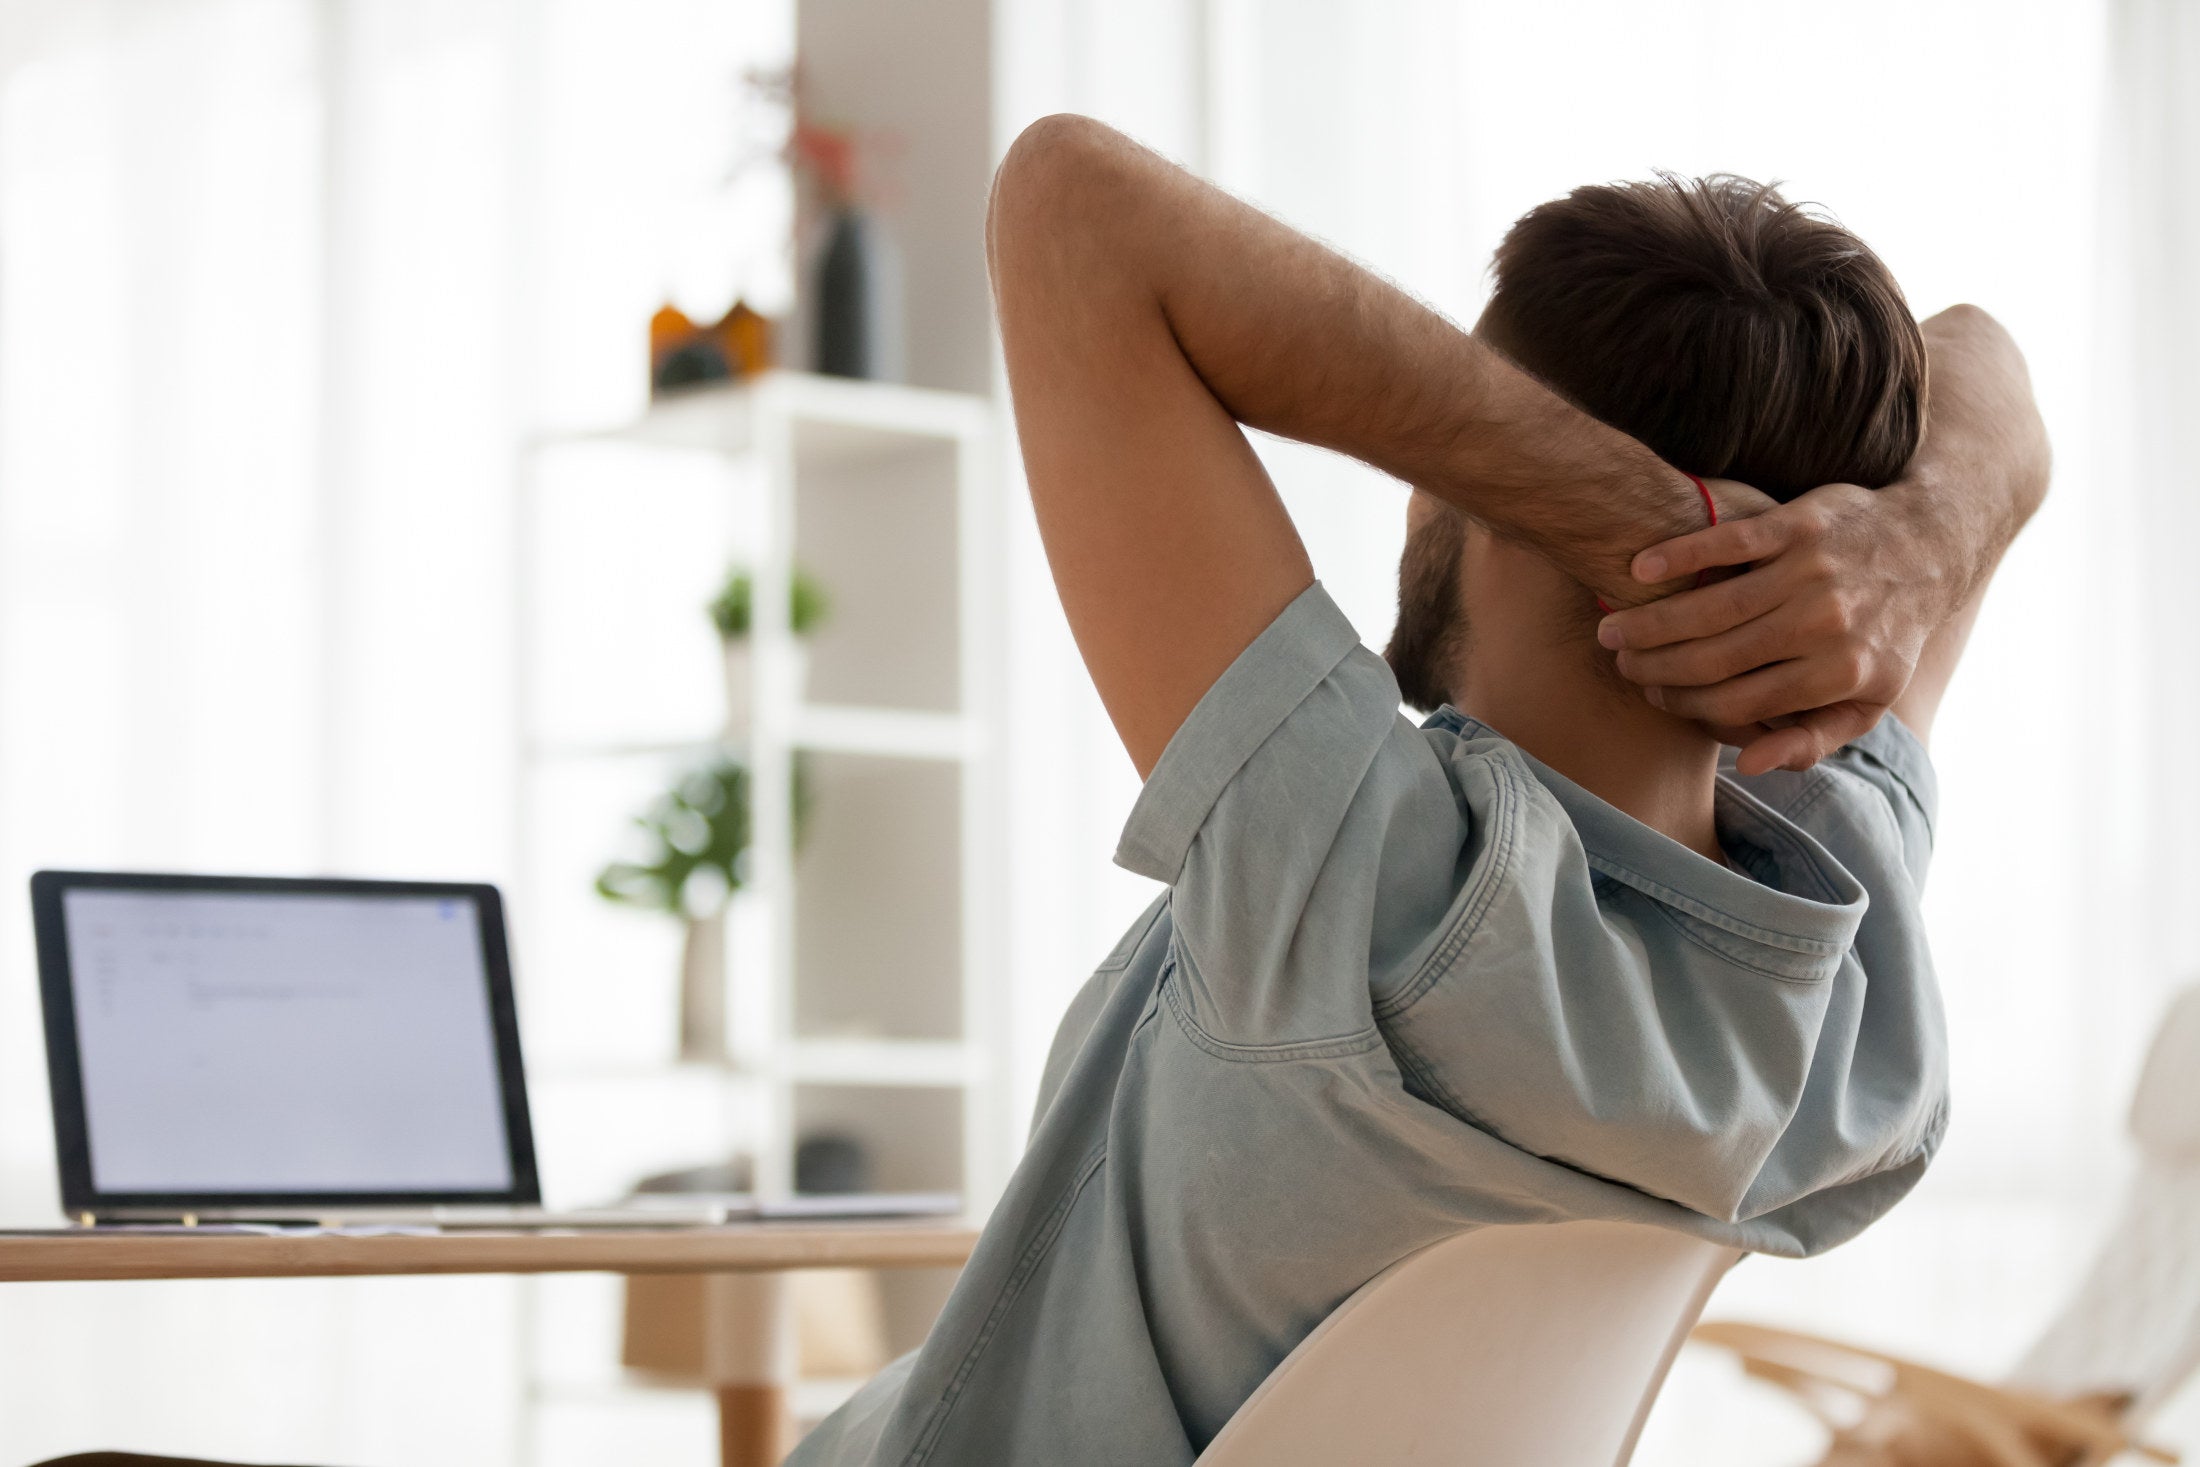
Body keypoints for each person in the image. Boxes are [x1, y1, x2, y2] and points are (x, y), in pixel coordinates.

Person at [786, 115, 2049, 1466]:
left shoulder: (1369, 888)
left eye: (1456, 447)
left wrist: (1607, 510)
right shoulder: (1838, 983)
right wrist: (1917, 535)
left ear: (1504, 507)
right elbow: (1983, 355)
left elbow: (1066, 205)